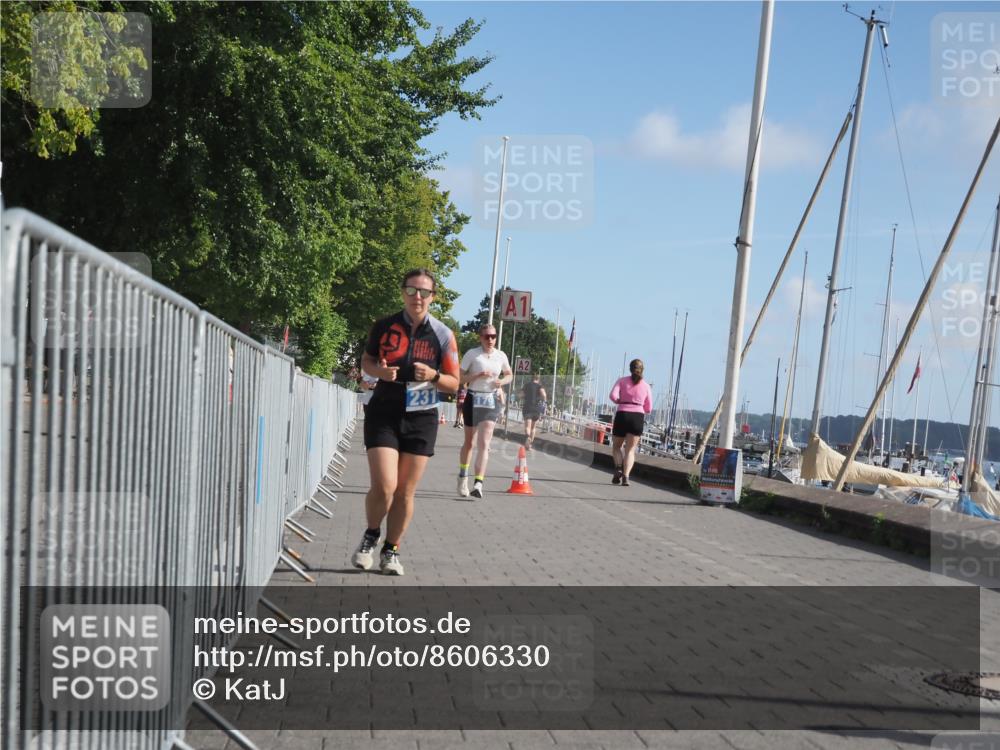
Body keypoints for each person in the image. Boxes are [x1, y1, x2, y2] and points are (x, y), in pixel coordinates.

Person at [352, 269, 460, 576]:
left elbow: (455, 383)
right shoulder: (384, 326)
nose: (417, 297)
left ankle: (391, 550)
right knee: (385, 486)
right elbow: (367, 360)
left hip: (422, 415)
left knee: (405, 492)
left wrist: (436, 376)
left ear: (432, 297)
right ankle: (371, 534)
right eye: (412, 290)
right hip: (385, 408)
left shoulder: (443, 335)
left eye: (424, 292)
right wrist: (380, 372)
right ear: (403, 292)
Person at [457, 324, 513, 499]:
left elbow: (510, 374)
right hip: (473, 398)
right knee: (469, 443)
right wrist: (477, 375)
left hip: (490, 399)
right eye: (487, 336)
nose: (490, 340)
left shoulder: (500, 355)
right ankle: (463, 476)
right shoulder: (472, 354)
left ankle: (478, 483)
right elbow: (459, 377)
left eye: (493, 336)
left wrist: (501, 382)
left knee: (484, 444)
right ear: (480, 337)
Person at [608, 359, 653, 487]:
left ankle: (618, 468)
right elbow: (649, 408)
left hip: (622, 414)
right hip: (637, 417)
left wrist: (620, 401)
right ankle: (626, 477)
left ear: (630, 368)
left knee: (617, 447)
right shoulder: (646, 386)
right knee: (630, 450)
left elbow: (612, 396)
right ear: (642, 369)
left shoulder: (621, 381)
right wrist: (639, 407)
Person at [521, 371, 548, 452]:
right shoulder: (540, 386)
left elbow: (521, 395)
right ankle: (530, 444)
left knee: (527, 427)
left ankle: (527, 438)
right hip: (536, 408)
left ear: (531, 378)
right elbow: (544, 395)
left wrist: (525, 396)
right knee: (533, 427)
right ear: (538, 378)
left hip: (527, 407)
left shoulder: (526, 385)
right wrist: (543, 402)